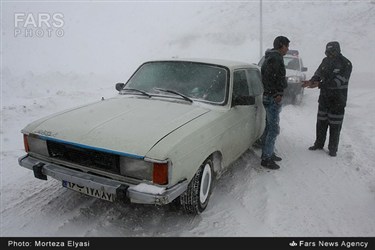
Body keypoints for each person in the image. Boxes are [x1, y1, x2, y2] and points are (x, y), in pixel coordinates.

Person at [302, 41, 352, 157]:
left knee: (335, 125)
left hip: (338, 101)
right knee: (321, 123)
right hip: (324, 99)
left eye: (332, 52)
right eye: (328, 52)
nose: (330, 55)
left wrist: (319, 85)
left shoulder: (346, 64)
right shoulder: (325, 61)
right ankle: (319, 144)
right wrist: (312, 81)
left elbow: (337, 82)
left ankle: (333, 148)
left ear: (338, 50)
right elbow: (318, 73)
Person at [260, 36, 290, 169]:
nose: (287, 49)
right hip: (272, 98)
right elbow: (273, 78)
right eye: (286, 46)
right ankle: (266, 158)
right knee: (273, 128)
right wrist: (277, 93)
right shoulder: (276, 58)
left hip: (268, 96)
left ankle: (269, 153)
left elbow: (270, 77)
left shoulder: (269, 57)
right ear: (281, 45)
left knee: (269, 126)